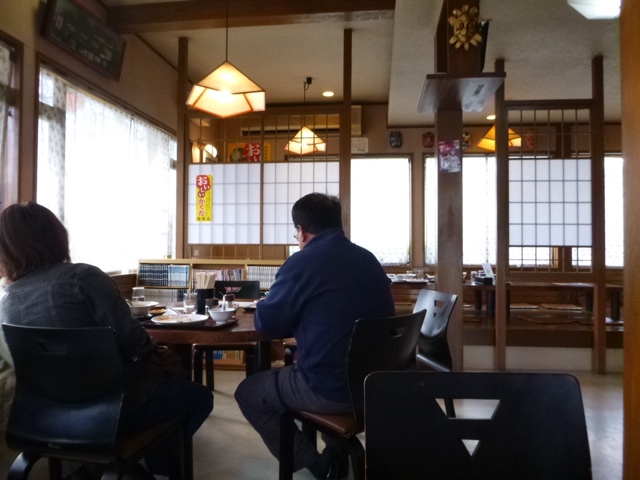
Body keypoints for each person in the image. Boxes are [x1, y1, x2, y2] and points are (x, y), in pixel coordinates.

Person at [0, 202, 213, 478]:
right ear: (56, 237)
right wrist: (156, 351)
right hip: (111, 407)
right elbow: (134, 340)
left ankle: (101, 467)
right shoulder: (83, 278)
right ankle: (155, 464)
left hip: (43, 417)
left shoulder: (7, 303)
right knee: (198, 396)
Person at [234, 193, 395, 479]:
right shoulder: (368, 259)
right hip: (376, 386)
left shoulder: (302, 262)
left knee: (249, 392)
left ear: (301, 231)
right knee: (327, 355)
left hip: (329, 388)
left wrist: (266, 304)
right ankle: (336, 450)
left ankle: (316, 464)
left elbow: (268, 325)